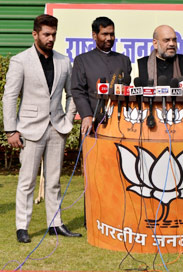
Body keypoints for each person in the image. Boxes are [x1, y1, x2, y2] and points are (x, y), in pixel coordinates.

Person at [2, 14, 80, 243]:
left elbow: (72, 94)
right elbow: (10, 97)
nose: (51, 38)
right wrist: (11, 130)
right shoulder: (20, 60)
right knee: (27, 181)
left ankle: (55, 223)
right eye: (46, 34)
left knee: (54, 180)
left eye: (54, 34)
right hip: (29, 129)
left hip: (57, 127)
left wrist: (68, 119)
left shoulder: (64, 61)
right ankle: (22, 227)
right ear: (35, 34)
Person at [71, 16, 132, 135]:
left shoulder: (124, 60)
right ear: (94, 35)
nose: (109, 38)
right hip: (93, 123)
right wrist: (86, 115)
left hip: (120, 124)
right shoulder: (82, 60)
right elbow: (78, 91)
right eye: (104, 34)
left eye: (112, 34)